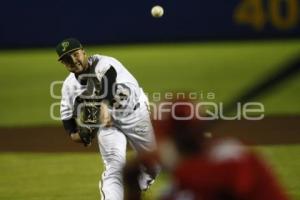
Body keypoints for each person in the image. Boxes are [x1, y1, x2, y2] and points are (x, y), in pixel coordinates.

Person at [56, 38, 159, 200]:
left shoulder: (104, 62)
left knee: (153, 163)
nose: (74, 61)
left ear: (83, 52)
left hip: (136, 114)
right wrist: (74, 134)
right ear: (63, 64)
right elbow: (66, 114)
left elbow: (108, 79)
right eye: (67, 59)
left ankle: (134, 189)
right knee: (114, 166)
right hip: (107, 125)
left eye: (76, 54)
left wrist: (104, 105)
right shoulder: (69, 86)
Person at [155, 98, 290, 200]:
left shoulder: (229, 152)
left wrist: (172, 163)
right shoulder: (179, 186)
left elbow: (236, 182)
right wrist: (133, 182)